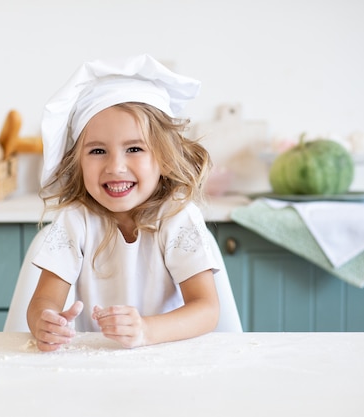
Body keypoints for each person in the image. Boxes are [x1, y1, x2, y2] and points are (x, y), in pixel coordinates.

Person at [27, 54, 241, 352]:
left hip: (169, 357)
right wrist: (44, 321)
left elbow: (206, 309)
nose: (115, 166)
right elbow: (44, 300)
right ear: (78, 164)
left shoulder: (177, 217)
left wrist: (146, 330)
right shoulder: (75, 219)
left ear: (164, 159)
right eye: (98, 151)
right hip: (98, 365)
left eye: (134, 148)